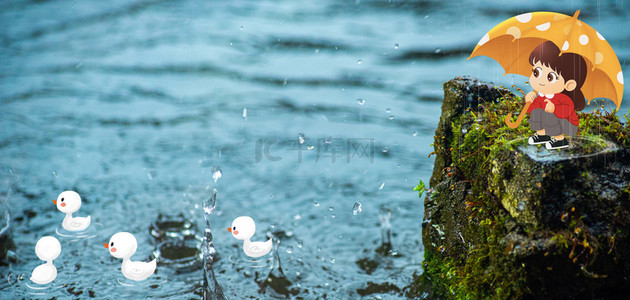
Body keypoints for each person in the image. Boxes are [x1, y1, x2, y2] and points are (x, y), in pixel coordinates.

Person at [525, 41, 587, 149]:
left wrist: (554, 109)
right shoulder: (542, 96)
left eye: (550, 77)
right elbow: (531, 110)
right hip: (551, 122)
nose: (540, 81)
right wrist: (529, 101)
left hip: (567, 125)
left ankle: (560, 140)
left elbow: (566, 111)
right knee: (537, 112)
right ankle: (542, 135)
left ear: (569, 85)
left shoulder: (563, 99)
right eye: (536, 72)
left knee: (548, 116)